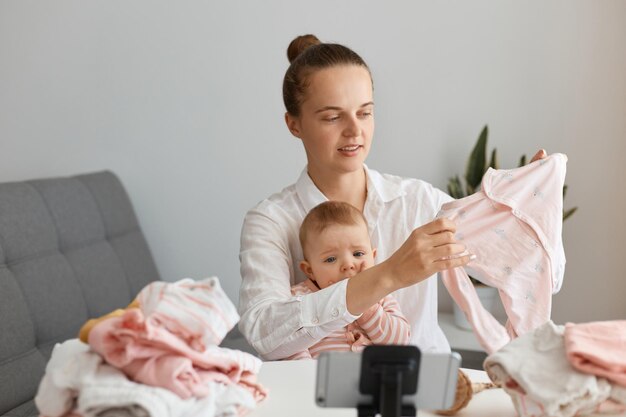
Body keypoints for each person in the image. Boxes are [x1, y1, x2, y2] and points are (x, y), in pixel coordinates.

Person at [238, 34, 547, 360]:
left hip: (424, 399)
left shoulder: (420, 202)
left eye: (365, 113)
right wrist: (389, 274)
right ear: (294, 124)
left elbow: (519, 260)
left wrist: (531, 204)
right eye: (332, 117)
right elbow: (264, 333)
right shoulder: (270, 222)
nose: (354, 131)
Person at [287, 200, 410, 359]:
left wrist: (366, 303)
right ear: (310, 271)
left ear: (373, 257)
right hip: (323, 379)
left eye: (358, 254)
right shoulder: (299, 298)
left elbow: (400, 342)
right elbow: (289, 345)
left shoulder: (381, 295)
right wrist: (309, 376)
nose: (348, 265)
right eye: (331, 259)